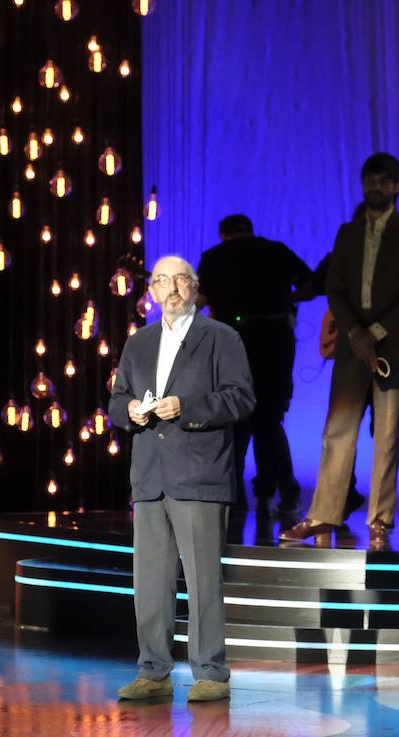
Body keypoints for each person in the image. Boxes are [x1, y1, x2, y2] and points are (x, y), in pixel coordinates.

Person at [108, 256, 255, 703]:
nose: (171, 288)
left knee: (202, 579)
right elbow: (116, 401)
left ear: (194, 288)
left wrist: (185, 408)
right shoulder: (138, 343)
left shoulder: (220, 338)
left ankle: (211, 671)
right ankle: (152, 670)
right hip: (150, 477)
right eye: (161, 281)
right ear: (151, 292)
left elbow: (241, 397)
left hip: (199, 475)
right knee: (150, 580)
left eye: (180, 280)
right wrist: (130, 413)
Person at [281, 153, 399, 549]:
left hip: (394, 347)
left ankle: (379, 521)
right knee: (337, 431)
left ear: (397, 186)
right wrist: (355, 332)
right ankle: (322, 516)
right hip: (352, 348)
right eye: (369, 180)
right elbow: (335, 287)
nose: (374, 187)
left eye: (383, 181)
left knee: (387, 436)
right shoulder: (347, 233)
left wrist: (375, 333)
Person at [196, 214, 312, 516]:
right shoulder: (276, 250)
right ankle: (274, 494)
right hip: (274, 341)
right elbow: (310, 285)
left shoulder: (214, 257)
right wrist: (283, 301)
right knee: (269, 421)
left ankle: (233, 498)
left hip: (231, 343)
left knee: (233, 422)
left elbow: (198, 300)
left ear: (224, 235)